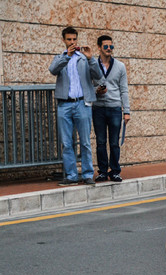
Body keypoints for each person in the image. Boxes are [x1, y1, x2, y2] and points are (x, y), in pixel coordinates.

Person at [49, 26, 104, 186]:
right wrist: (67, 56)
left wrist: (90, 58)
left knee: (85, 142)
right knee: (67, 143)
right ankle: (72, 175)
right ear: (64, 40)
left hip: (82, 103)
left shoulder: (84, 58)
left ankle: (87, 175)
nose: (72, 42)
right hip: (64, 105)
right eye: (69, 40)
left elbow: (98, 76)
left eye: (74, 39)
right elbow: (53, 70)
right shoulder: (60, 57)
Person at [92, 35, 131, 182]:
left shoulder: (120, 66)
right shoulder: (93, 65)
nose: (109, 49)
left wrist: (126, 111)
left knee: (114, 142)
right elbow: (88, 86)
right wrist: (97, 90)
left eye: (111, 47)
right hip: (98, 109)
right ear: (99, 47)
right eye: (106, 47)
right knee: (101, 141)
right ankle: (102, 171)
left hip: (115, 108)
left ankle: (115, 171)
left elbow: (124, 89)